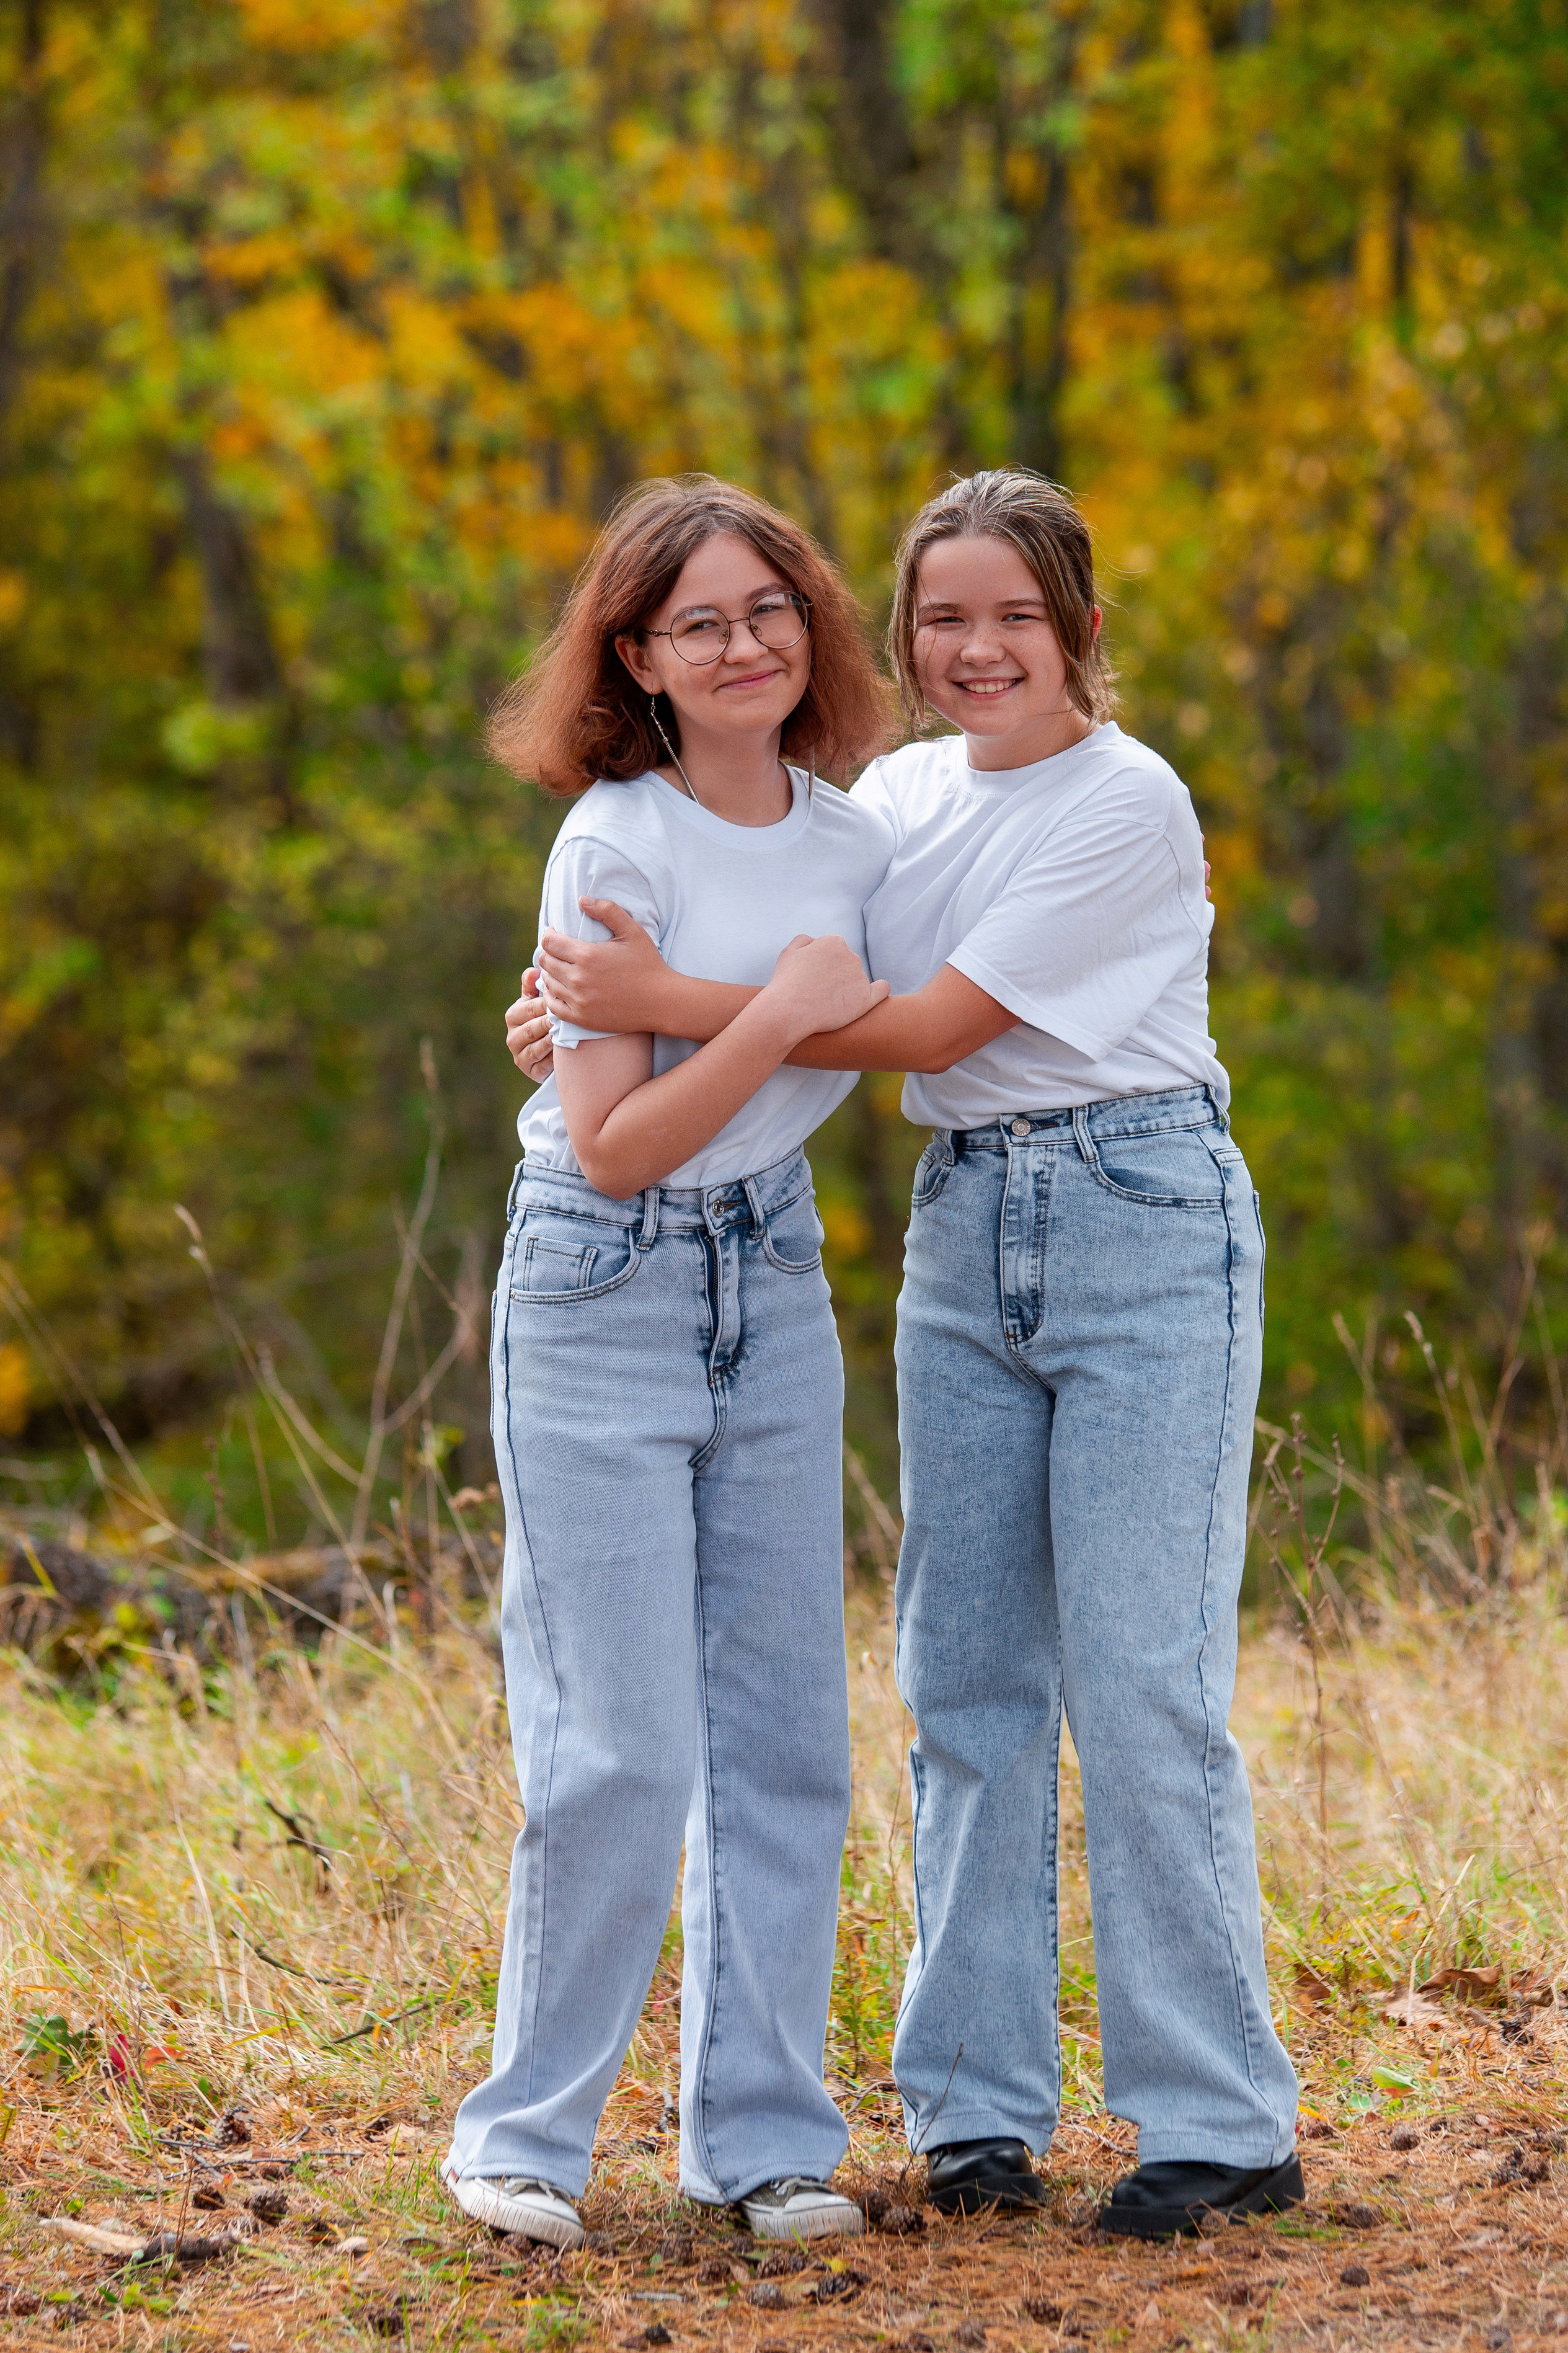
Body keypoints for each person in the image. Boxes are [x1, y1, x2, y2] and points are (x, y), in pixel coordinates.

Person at [508, 469, 1303, 2240]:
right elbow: (783, 968)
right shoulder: (889, 800)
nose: (978, 647)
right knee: (964, 1687)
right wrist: (572, 1018)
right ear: (906, 633)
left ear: (1084, 632)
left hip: (1137, 1210)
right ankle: (976, 2114)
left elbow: (915, 1023)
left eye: (1017, 615)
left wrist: (653, 1010)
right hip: (965, 1233)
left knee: (1140, 1681)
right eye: (945, 615)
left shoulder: (1128, 801)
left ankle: (1220, 2115)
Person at [444, 475, 899, 2252]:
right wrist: (782, 1011)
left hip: (772, 1274)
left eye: (769, 608)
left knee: (789, 1737)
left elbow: (910, 1026)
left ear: (811, 626)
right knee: (619, 1741)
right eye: (698, 620)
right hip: (601, 1279)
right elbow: (620, 1145)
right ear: (636, 655)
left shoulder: (860, 846)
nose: (742, 643)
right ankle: (524, 2142)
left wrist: (727, 1009)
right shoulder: (611, 842)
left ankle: (765, 2140)